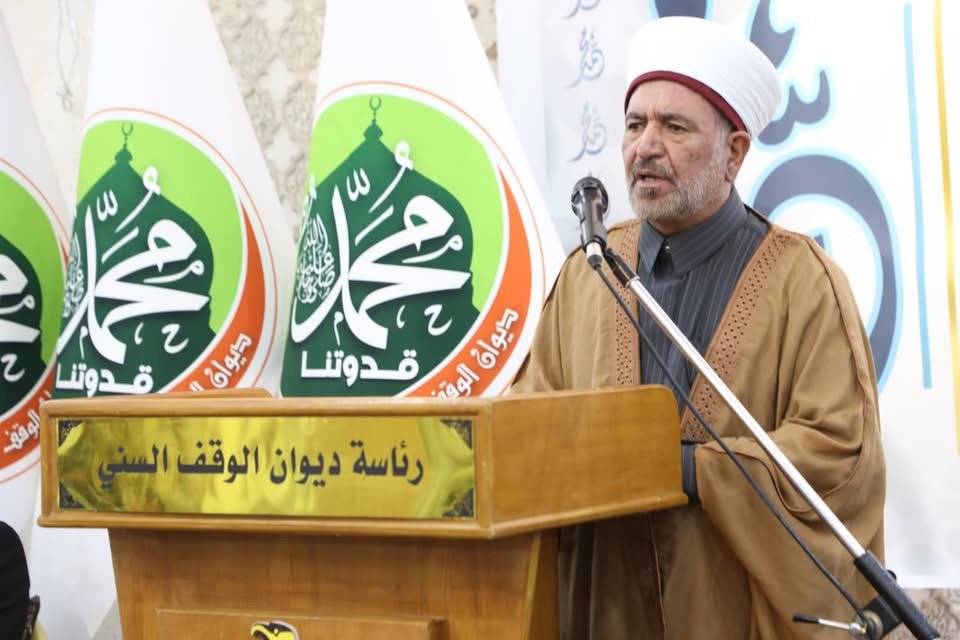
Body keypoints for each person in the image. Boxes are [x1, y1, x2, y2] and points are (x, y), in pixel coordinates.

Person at [512, 16, 885, 640]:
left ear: (733, 152)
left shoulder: (805, 282)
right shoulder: (589, 273)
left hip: (731, 613)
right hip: (607, 610)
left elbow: (838, 454)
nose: (645, 147)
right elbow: (528, 424)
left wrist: (686, 470)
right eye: (635, 125)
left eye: (674, 127)